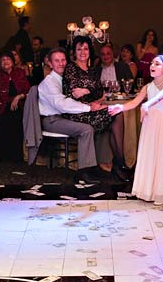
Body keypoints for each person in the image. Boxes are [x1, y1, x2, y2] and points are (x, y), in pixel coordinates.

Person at [37, 48, 121, 183]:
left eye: (63, 60)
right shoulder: (49, 82)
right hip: (52, 120)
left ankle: (102, 165)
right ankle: (84, 171)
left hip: (63, 116)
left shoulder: (63, 78)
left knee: (103, 120)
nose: (61, 63)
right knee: (86, 129)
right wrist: (89, 108)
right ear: (50, 64)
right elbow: (62, 105)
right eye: (57, 61)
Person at [109, 54, 163, 205]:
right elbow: (134, 102)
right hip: (150, 124)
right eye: (152, 63)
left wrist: (147, 104)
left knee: (162, 155)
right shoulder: (147, 87)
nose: (152, 66)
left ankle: (162, 192)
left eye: (157, 64)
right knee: (149, 154)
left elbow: (159, 97)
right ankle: (148, 190)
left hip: (162, 123)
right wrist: (120, 107)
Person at [62, 36, 129, 180]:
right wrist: (89, 93)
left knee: (116, 114)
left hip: (93, 109)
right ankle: (119, 164)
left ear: (89, 51)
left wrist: (90, 94)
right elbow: (76, 93)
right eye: (79, 49)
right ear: (74, 51)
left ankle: (118, 163)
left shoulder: (93, 70)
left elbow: (99, 93)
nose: (82, 52)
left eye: (85, 49)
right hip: (77, 112)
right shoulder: (70, 68)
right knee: (115, 117)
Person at [0, 51, 30, 163]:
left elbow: (27, 90)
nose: (6, 62)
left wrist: (18, 97)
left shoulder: (19, 73)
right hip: (0, 107)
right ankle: (1, 160)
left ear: (13, 61)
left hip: (17, 107)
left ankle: (16, 160)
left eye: (8, 59)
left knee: (16, 127)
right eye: (3, 60)